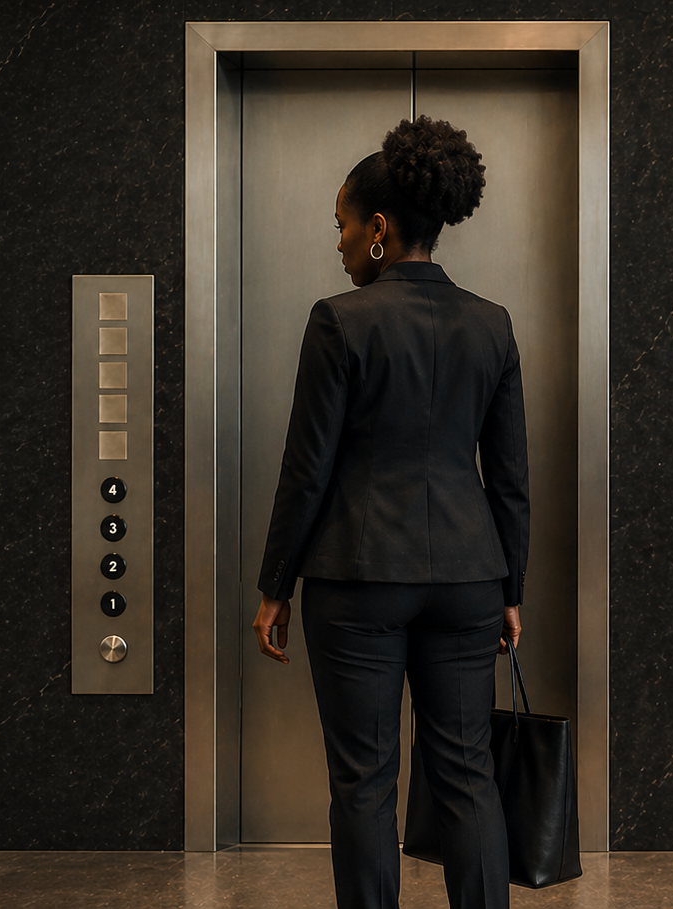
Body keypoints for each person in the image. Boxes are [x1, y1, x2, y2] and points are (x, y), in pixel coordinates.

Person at [251, 116, 525, 909]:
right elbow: (509, 476)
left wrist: (276, 585)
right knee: (466, 772)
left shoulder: (339, 319)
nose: (336, 243)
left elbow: (307, 470)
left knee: (365, 782)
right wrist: (511, 586)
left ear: (378, 228)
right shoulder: (492, 323)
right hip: (470, 578)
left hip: (357, 577)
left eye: (341, 225)